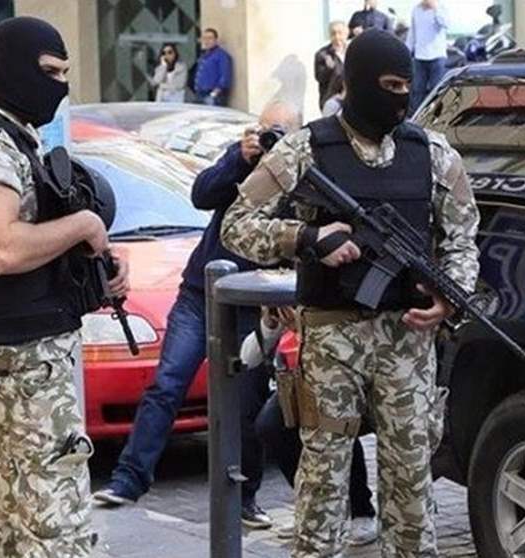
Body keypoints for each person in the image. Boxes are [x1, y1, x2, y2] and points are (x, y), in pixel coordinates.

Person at [221, 29, 479, 557]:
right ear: (358, 83)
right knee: (323, 482)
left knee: (412, 484)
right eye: (390, 86)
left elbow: (462, 238)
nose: (401, 98)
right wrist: (307, 238)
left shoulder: (431, 153)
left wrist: (451, 294)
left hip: (407, 341)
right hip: (331, 338)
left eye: (407, 86)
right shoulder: (306, 148)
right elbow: (237, 225)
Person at [0, 17, 130, 557]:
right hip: (26, 373)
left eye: (67, 72)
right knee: (55, 537)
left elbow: (29, 247)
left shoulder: (12, 140)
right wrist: (84, 225)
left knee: (14, 534)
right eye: (50, 71)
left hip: (22, 367)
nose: (61, 85)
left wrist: (93, 267)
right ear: (11, 69)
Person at [92, 100, 302, 529]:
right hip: (200, 294)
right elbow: (201, 194)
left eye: (278, 132)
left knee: (246, 403)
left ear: (297, 135)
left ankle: (243, 498)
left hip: (252, 304)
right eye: (264, 129)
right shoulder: (240, 161)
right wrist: (238, 159)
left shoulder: (300, 175)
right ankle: (128, 481)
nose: (269, 139)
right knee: (168, 383)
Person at [239, 306, 380, 546]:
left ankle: (361, 511)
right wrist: (271, 324)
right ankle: (311, 508)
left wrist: (307, 325)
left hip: (348, 367)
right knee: (270, 426)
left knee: (339, 423)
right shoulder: (285, 296)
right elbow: (249, 358)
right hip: (302, 374)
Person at [407, 0, 449, 112]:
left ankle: (435, 116)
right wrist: (407, 50)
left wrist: (435, 8)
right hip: (420, 56)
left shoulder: (441, 7)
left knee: (436, 90)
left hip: (437, 56)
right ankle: (416, 116)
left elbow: (445, 24)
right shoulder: (416, 9)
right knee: (417, 90)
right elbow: (412, 33)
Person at [193, 28, 232, 106]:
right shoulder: (204, 55)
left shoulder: (221, 55)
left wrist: (213, 94)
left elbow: (224, 77)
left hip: (213, 95)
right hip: (200, 93)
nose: (207, 41)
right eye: (204, 38)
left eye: (210, 38)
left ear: (216, 40)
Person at [315, 22, 347, 110]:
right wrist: (329, 68)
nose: (337, 37)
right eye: (333, 33)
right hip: (331, 100)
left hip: (350, 99)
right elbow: (320, 78)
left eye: (340, 33)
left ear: (346, 34)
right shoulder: (323, 54)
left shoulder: (352, 51)